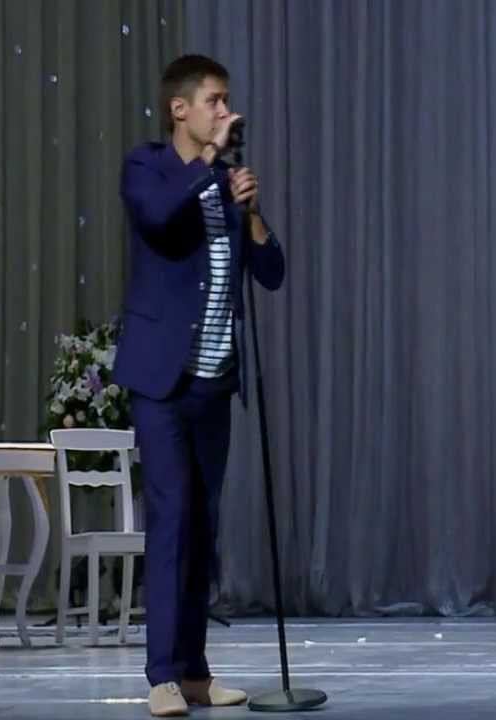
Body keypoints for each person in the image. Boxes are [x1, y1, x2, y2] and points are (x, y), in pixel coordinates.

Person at [114, 54, 286, 717]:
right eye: (214, 100)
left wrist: (253, 212)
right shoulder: (149, 167)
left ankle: (194, 672)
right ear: (179, 108)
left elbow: (271, 271)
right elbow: (158, 218)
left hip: (214, 384)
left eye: (225, 101)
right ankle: (162, 674)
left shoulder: (223, 182)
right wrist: (208, 164)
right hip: (162, 382)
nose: (225, 111)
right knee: (171, 519)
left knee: (202, 527)